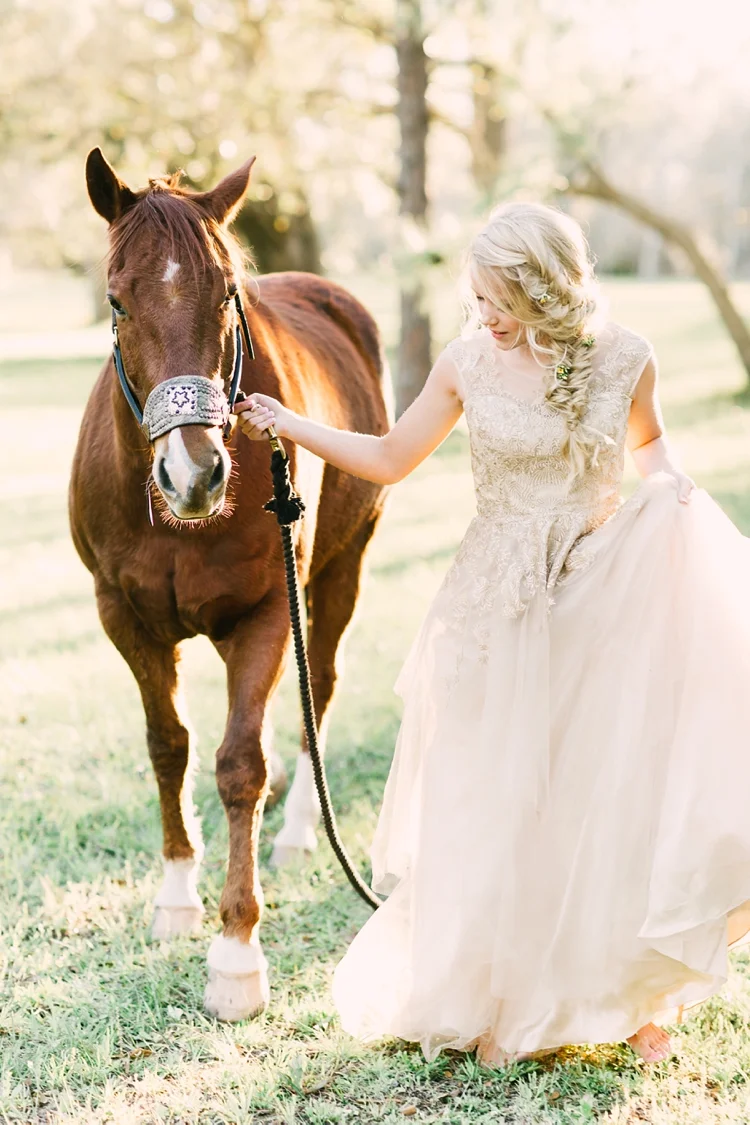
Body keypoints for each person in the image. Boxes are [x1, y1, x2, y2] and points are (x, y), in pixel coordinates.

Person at [234, 202, 750, 1067]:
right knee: (492, 798)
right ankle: (497, 991)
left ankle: (632, 994)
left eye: (498, 299)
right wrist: (292, 426)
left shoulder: (626, 358)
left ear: (546, 289)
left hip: (596, 592)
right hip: (490, 602)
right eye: (475, 299)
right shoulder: (468, 362)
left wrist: (673, 492)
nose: (483, 316)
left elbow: (650, 445)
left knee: (598, 792)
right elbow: (393, 455)